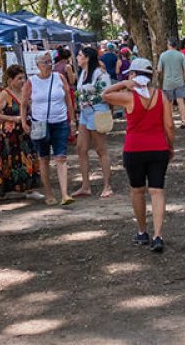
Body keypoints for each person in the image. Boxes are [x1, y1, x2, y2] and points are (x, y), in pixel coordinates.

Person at [103, 58, 175, 253]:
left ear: (133, 75)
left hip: (134, 149)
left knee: (137, 190)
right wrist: (171, 146)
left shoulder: (128, 97)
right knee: (157, 191)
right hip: (158, 147)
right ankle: (158, 235)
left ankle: (142, 231)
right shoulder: (161, 96)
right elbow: (169, 125)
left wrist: (123, 84)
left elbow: (105, 94)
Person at [21, 52, 76, 206]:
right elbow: (24, 103)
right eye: (45, 62)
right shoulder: (32, 81)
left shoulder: (59, 77)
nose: (49, 64)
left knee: (61, 157)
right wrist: (24, 122)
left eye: (50, 61)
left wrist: (72, 121)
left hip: (60, 122)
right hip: (39, 123)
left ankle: (65, 194)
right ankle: (49, 193)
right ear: (38, 65)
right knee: (43, 158)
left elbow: (68, 100)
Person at [0, 64, 41, 198]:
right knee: (9, 161)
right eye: (19, 78)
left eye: (23, 78)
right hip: (9, 135)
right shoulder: (5, 94)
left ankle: (28, 188)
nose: (22, 81)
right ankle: (8, 190)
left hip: (24, 132)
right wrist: (13, 119)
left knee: (27, 157)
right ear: (10, 80)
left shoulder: (25, 92)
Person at [72, 46, 113, 198]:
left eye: (80, 55)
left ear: (87, 58)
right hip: (84, 113)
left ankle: (107, 185)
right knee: (80, 148)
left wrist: (88, 95)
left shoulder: (100, 73)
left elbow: (106, 93)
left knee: (101, 149)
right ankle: (85, 186)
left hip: (97, 111)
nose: (77, 57)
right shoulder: (83, 73)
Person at [158, 37, 185, 128]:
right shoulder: (181, 55)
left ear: (169, 44)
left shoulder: (163, 55)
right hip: (179, 81)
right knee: (181, 101)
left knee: (169, 102)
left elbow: (159, 70)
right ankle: (183, 121)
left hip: (167, 82)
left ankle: (169, 121)